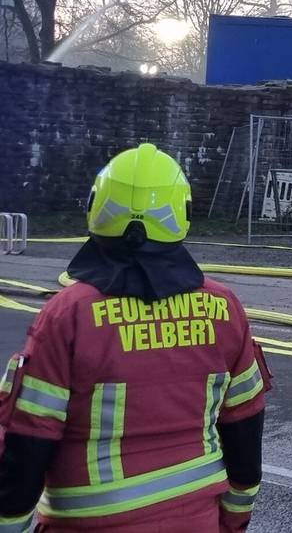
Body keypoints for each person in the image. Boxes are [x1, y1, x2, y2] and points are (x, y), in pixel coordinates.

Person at [0, 143, 270, 531]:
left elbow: (28, 440)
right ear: (182, 213)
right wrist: (233, 520)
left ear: (96, 207)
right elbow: (245, 428)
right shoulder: (223, 308)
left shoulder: (68, 314)